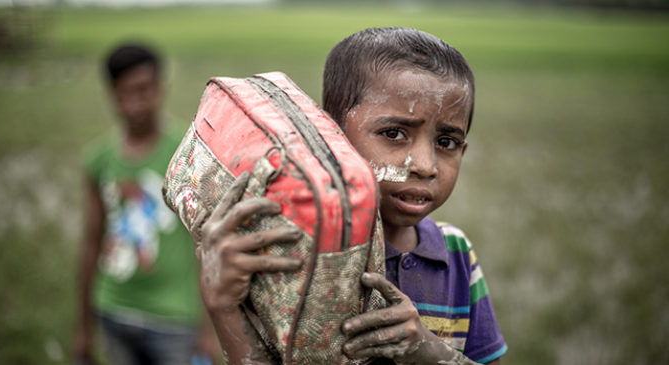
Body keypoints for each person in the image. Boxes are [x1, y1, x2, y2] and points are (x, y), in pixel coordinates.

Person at [198, 27, 506, 364]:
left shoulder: (457, 253)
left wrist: (426, 349)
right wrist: (222, 303)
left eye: (446, 142)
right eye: (394, 133)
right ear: (331, 135)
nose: (424, 165)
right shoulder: (292, 254)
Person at [73, 43, 220, 365]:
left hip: (174, 319)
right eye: (125, 94)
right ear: (112, 94)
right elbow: (91, 242)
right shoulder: (99, 160)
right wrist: (83, 326)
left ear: (160, 89)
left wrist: (209, 330)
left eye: (144, 90)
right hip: (114, 309)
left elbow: (208, 245)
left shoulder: (187, 155)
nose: (136, 104)